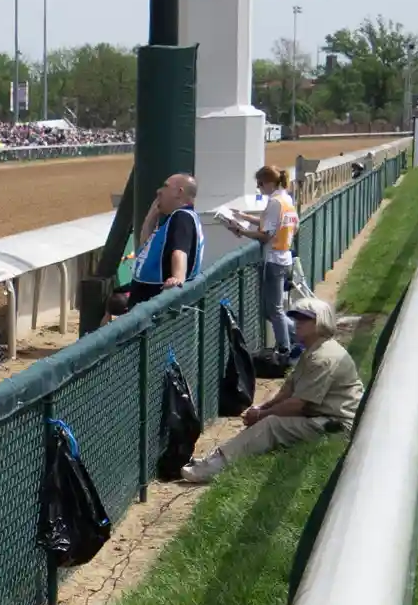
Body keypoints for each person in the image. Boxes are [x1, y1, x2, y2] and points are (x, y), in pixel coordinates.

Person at [181, 297, 362, 483]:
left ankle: (213, 466)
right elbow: (288, 391)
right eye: (296, 317)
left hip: (338, 425)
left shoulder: (324, 357)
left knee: (271, 425)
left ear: (321, 322)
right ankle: (219, 457)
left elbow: (297, 405)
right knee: (268, 418)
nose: (297, 322)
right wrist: (261, 408)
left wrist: (262, 416)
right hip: (321, 416)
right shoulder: (313, 350)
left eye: (304, 318)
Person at [226, 166, 300, 355]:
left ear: (269, 182)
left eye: (259, 184)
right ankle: (299, 336)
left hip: (273, 260)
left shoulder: (275, 202)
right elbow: (286, 226)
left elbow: (265, 234)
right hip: (284, 258)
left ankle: (287, 348)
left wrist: (241, 231)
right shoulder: (286, 199)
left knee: (274, 311)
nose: (259, 188)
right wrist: (244, 217)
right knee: (272, 311)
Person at [123, 173, 202, 310]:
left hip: (154, 306)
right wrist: (152, 215)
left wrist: (178, 279)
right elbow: (145, 247)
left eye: (165, 186)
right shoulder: (174, 218)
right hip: (144, 302)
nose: (159, 191)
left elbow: (180, 251)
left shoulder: (181, 217)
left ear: (179, 192)